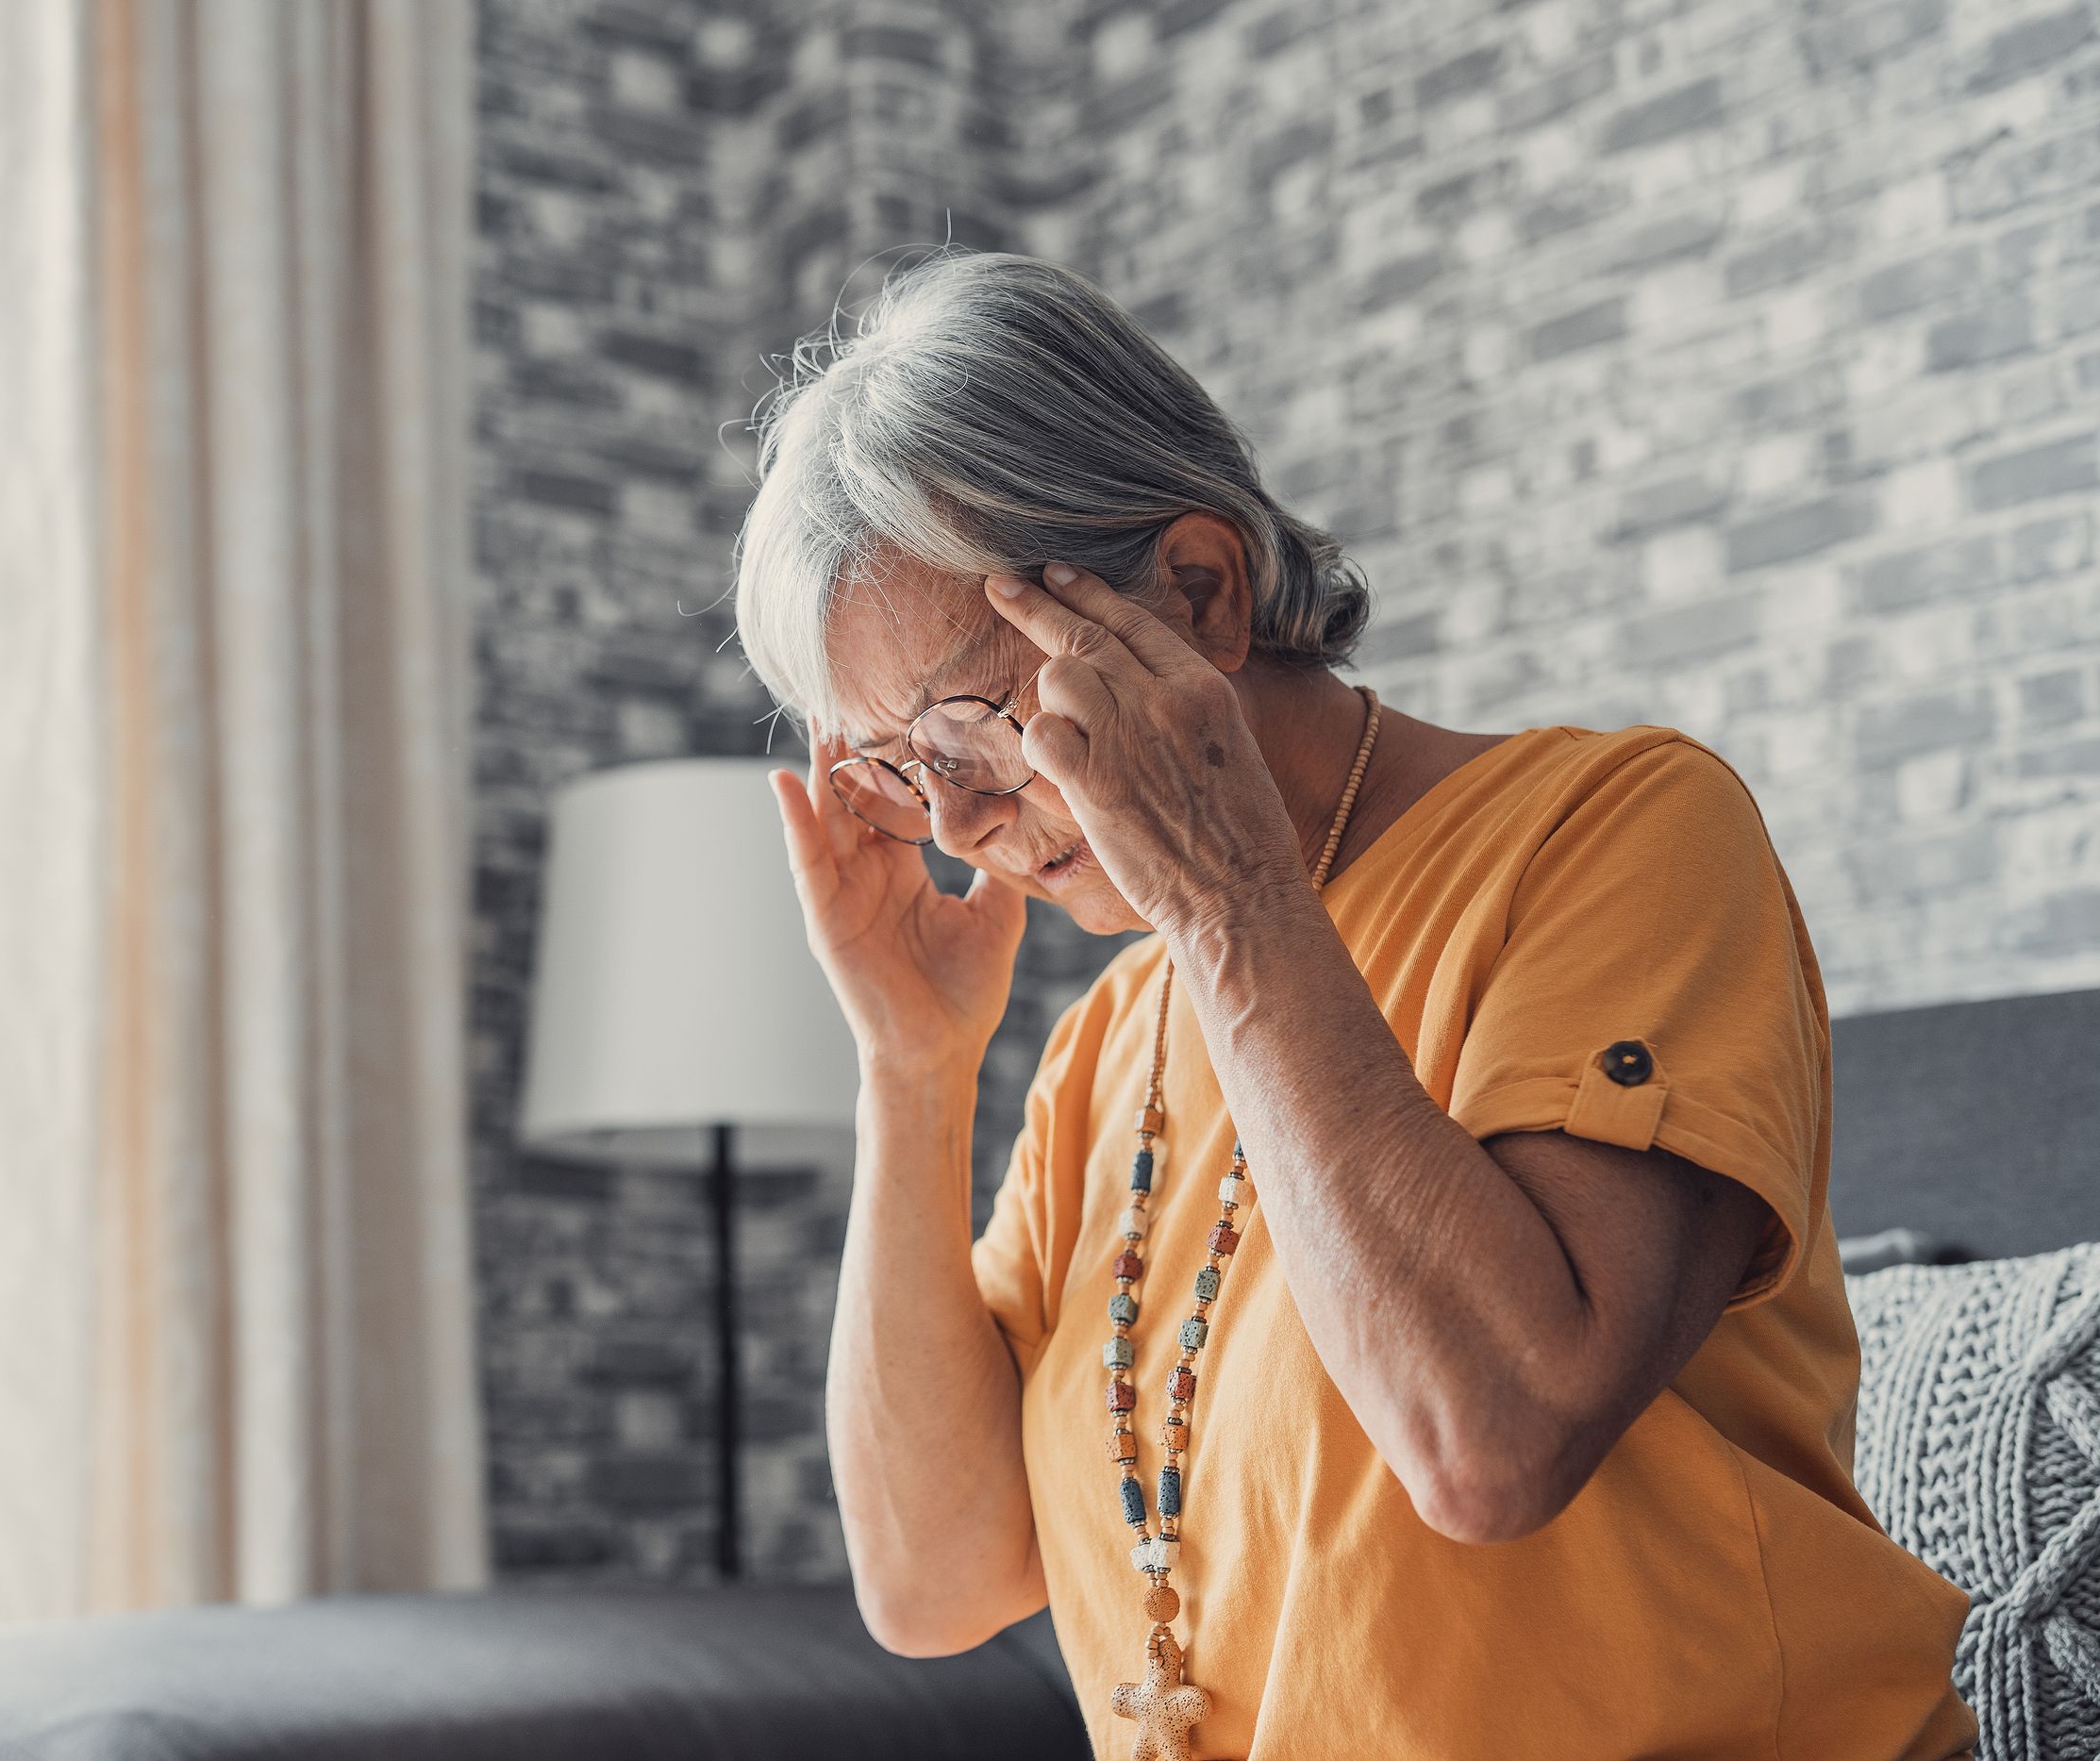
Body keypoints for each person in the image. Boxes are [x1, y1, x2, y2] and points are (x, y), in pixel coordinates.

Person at [736, 250, 1975, 1760]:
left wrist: (1226, 904)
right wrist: (911, 1065)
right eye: (890, 767)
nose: (949, 827)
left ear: (1199, 590)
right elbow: (932, 1585)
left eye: (972, 729)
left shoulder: (1621, 830)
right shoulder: (1104, 1046)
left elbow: (1494, 1438)